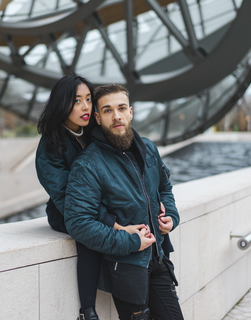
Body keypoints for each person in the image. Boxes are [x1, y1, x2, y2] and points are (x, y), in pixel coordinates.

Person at [35, 76, 152, 320]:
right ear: (61, 103)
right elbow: (69, 199)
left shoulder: (92, 132)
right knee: (88, 235)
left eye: (89, 99)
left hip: (99, 206)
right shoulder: (50, 146)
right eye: (77, 101)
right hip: (64, 210)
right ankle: (87, 310)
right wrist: (115, 224)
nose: (86, 107)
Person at [64, 84, 183, 320]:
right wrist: (129, 241)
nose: (116, 116)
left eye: (121, 108)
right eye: (107, 111)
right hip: (126, 269)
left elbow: (164, 187)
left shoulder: (148, 148)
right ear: (97, 118)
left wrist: (171, 215)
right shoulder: (88, 164)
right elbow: (78, 222)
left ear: (131, 112)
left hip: (159, 260)